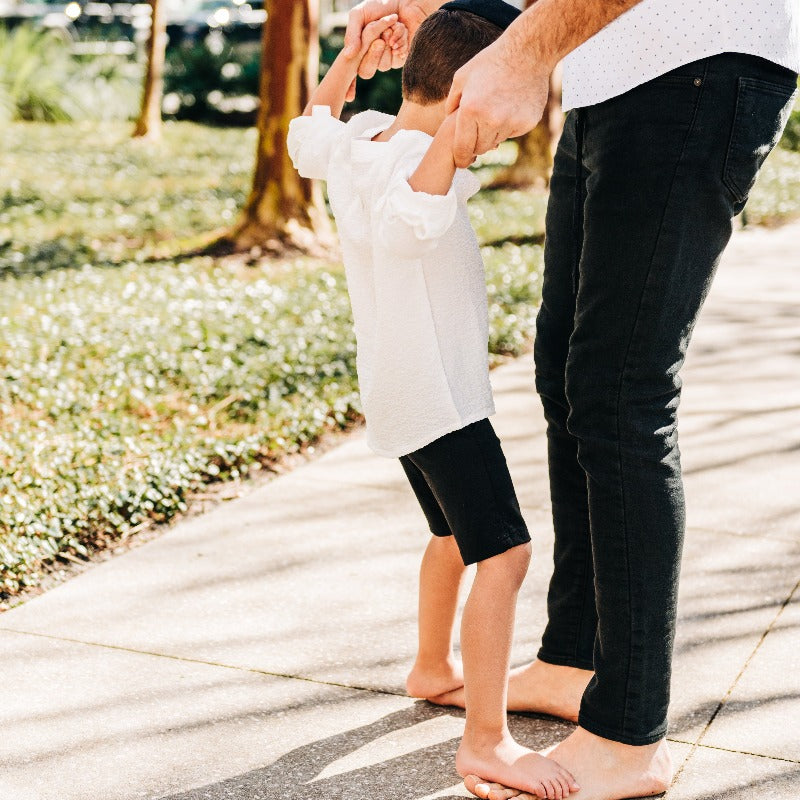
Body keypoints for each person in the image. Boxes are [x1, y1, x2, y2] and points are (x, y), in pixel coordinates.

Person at [343, 2, 800, 800]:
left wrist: (523, 53)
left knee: (622, 392)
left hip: (697, 66)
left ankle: (629, 734)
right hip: (607, 77)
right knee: (567, 375)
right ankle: (574, 658)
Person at [287, 3, 580, 797]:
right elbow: (408, 223)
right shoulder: (418, 167)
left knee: (451, 534)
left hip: (397, 390)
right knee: (505, 552)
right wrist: (450, 144)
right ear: (467, 93)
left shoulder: (363, 136)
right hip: (440, 398)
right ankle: (486, 740)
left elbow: (307, 134)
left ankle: (430, 665)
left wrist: (350, 60)